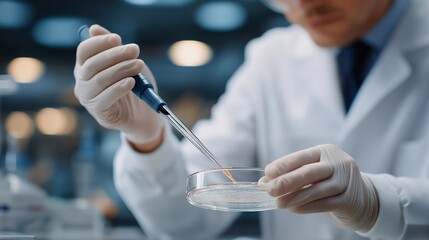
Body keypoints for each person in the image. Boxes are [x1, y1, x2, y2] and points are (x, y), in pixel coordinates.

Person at [73, 0, 429, 239]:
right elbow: (186, 223)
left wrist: (382, 201)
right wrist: (146, 136)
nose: (303, 4)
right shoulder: (271, 58)